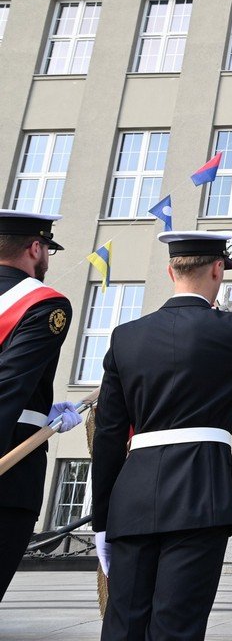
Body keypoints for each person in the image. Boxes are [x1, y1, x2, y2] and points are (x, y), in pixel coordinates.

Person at [91, 232, 232, 640]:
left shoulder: (125, 336)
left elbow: (109, 435)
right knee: (177, 624)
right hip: (199, 491)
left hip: (132, 498)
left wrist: (101, 519)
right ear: (219, 270)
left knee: (122, 623)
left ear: (170, 271)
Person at [0, 210, 81, 602]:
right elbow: (6, 388)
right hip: (9, 468)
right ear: (35, 248)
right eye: (47, 248)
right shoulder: (44, 303)